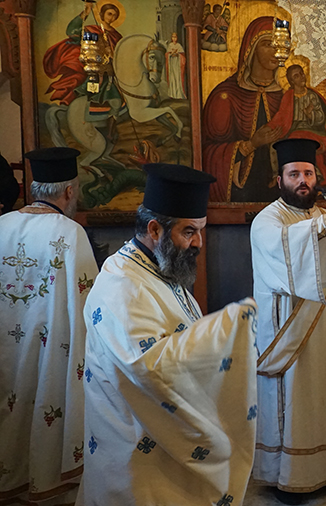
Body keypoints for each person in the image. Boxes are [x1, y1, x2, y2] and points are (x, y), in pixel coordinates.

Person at [80, 164, 259, 505]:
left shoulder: (159, 269)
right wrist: (229, 328)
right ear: (154, 229)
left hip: (158, 442)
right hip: (135, 450)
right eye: (189, 231)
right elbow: (148, 365)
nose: (199, 243)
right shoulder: (122, 285)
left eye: (201, 231)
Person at [250, 138, 326, 496]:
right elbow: (285, 251)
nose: (302, 181)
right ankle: (290, 478)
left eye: (308, 173)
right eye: (294, 174)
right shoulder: (268, 219)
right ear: (279, 180)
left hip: (325, 329)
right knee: (295, 398)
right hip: (289, 331)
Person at [0, 148, 97, 504]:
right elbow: (91, 306)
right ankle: (42, 481)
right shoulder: (70, 234)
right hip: (49, 352)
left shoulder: (1, 226)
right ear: (69, 191)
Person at [202, 16, 284, 202]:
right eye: (268, 44)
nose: (276, 51)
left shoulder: (285, 96)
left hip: (281, 198)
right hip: (240, 194)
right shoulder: (225, 95)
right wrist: (251, 145)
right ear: (251, 49)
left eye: (279, 45)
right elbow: (209, 154)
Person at [165, 32, 186, 100]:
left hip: (177, 64)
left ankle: (178, 94)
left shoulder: (178, 45)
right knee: (172, 79)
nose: (174, 38)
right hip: (171, 64)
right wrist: (170, 54)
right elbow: (167, 55)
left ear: (177, 38)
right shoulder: (170, 45)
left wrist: (178, 54)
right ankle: (172, 94)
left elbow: (182, 55)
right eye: (173, 37)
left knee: (177, 78)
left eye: (175, 37)